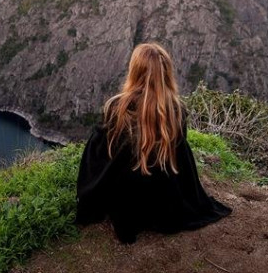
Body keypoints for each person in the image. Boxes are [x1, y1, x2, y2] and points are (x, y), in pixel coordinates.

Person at [75, 42, 231, 244]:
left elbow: (102, 154)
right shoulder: (176, 110)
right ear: (166, 74)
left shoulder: (117, 107)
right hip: (163, 199)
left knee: (98, 142)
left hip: (127, 199)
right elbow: (179, 158)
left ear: (135, 71)